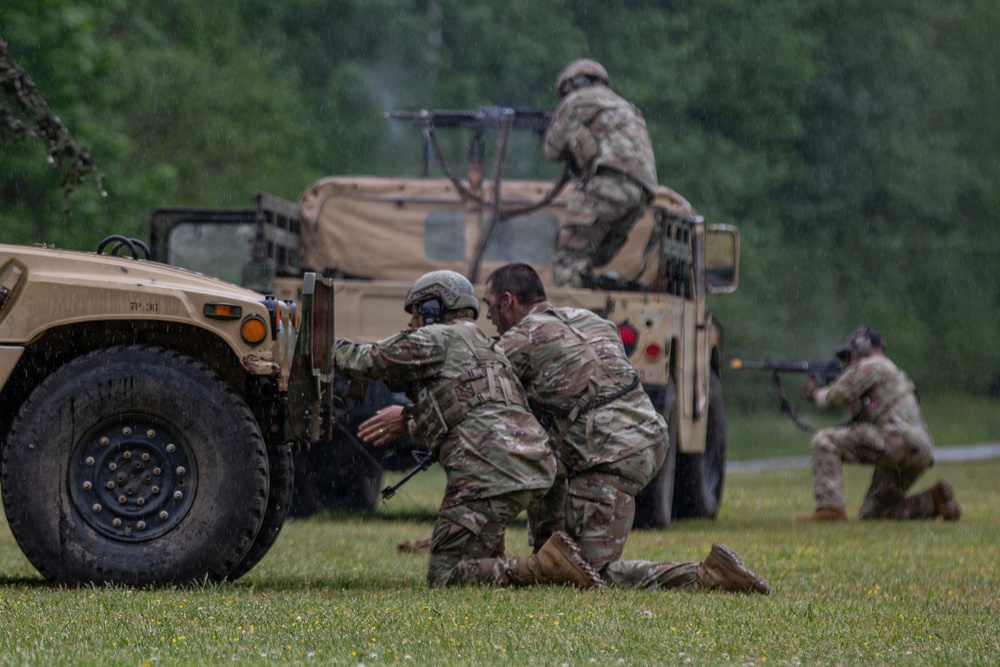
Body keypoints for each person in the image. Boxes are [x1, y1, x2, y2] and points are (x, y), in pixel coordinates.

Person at [483, 262, 771, 593]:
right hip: (648, 439)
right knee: (546, 456)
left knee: (587, 575)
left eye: (490, 307)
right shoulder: (592, 322)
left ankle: (706, 576)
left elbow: (477, 391)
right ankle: (546, 550)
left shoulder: (520, 339)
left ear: (507, 301)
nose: (490, 318)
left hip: (607, 455)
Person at [335, 270, 603, 589]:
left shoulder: (439, 337)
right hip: (536, 465)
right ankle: (521, 565)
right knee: (476, 562)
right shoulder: (490, 348)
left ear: (434, 309)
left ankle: (544, 566)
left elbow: (364, 359)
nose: (411, 324)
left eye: (417, 314)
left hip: (487, 471)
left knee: (445, 576)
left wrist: (321, 343)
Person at [799, 327, 961, 522]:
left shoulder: (872, 365)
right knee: (874, 512)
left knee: (824, 441)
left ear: (862, 348)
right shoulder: (891, 371)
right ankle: (935, 500)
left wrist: (815, 393)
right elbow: (863, 416)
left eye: (848, 355)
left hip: (895, 440)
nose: (848, 363)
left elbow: (832, 399)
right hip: (918, 449)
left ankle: (830, 509)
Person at [543, 59, 659, 288]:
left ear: (572, 85)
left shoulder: (577, 100)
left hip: (609, 183)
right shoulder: (625, 106)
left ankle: (570, 318)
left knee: (568, 257)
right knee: (591, 256)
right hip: (641, 193)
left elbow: (551, 149)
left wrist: (556, 129)